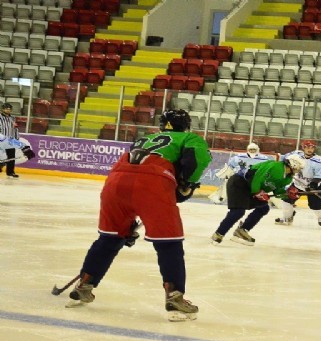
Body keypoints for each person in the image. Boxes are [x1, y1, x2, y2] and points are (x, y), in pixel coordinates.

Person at [65, 109, 212, 322]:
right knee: (168, 243)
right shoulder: (190, 138)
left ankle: (84, 285)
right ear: (186, 125)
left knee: (109, 239)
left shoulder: (145, 139)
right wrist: (187, 184)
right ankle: (175, 297)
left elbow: (135, 169)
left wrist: (127, 228)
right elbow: (196, 161)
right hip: (152, 183)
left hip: (116, 181)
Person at [211, 154, 305, 246]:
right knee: (238, 211)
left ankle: (242, 230)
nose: (299, 170)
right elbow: (257, 177)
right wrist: (257, 192)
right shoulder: (275, 166)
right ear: (294, 164)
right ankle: (219, 233)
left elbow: (276, 191)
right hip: (239, 183)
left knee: (263, 208)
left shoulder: (287, 178)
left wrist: (288, 194)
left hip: (251, 188)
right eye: (299, 167)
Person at [275, 139, 321, 226]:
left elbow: (320, 175)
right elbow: (284, 159)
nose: (309, 149)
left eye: (312, 147)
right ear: (303, 147)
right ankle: (287, 218)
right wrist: (286, 163)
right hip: (298, 184)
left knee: (316, 207)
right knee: (286, 201)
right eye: (307, 147)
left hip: (314, 186)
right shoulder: (295, 155)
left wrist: (313, 184)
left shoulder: (319, 161)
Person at [0, 103, 20, 178]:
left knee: (11, 157)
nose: (8, 110)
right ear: (3, 109)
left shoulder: (13, 118)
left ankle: (10, 172)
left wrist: (17, 138)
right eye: (6, 109)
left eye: (9, 109)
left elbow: (16, 129)